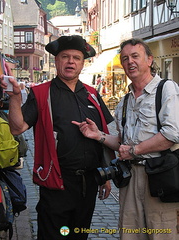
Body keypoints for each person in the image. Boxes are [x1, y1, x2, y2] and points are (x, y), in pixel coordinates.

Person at [0, 35, 114, 240]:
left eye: (76, 58)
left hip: (88, 183)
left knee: (79, 235)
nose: (71, 61)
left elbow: (104, 134)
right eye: (65, 57)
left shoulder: (92, 94)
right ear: (56, 61)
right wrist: (15, 98)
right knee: (55, 236)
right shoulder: (42, 93)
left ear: (82, 63)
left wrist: (106, 176)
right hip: (57, 184)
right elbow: (17, 129)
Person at [72, 38, 179, 240]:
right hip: (130, 178)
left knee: (162, 233)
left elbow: (171, 134)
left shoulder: (167, 89)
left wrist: (133, 151)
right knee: (130, 233)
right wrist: (99, 136)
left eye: (135, 56)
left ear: (149, 60)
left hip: (160, 175)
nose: (130, 62)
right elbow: (122, 143)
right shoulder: (125, 101)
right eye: (125, 58)